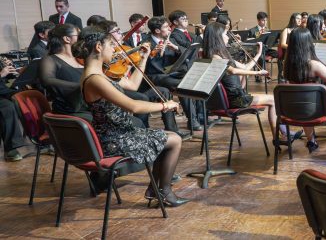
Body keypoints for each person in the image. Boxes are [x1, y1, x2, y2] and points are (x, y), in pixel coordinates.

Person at [76, 26, 189, 207]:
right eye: (111, 45)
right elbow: (133, 106)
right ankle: (164, 191)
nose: (115, 49)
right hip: (114, 139)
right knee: (174, 140)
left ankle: (156, 190)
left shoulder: (100, 74)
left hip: (118, 132)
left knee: (166, 139)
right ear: (98, 47)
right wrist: (164, 105)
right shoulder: (95, 79)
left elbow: (133, 85)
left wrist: (143, 59)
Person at [201, 22, 294, 141]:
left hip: (236, 96)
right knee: (273, 99)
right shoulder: (215, 58)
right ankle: (279, 136)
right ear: (217, 37)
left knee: (273, 99)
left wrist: (258, 54)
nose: (228, 37)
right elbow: (234, 71)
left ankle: (283, 135)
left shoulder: (222, 55)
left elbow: (244, 67)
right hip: (235, 100)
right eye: (225, 34)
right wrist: (258, 73)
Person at [97, 20, 188, 137]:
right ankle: (144, 131)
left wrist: (141, 58)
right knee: (142, 97)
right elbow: (124, 79)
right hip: (122, 90)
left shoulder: (124, 47)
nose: (121, 33)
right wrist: (128, 64)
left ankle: (172, 129)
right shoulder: (107, 58)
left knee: (163, 91)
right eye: (116, 31)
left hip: (134, 84)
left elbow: (135, 68)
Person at [284, 28, 326, 152]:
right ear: (308, 43)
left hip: (294, 110)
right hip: (316, 111)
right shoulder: (314, 65)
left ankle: (311, 141)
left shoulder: (286, 65)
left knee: (304, 100)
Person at [0, 58, 26, 161]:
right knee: (7, 107)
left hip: (3, 91)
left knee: (26, 98)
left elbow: (7, 79)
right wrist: (1, 74)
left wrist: (11, 68)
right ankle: (11, 148)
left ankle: (40, 139)